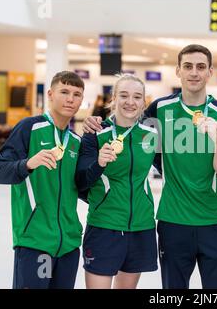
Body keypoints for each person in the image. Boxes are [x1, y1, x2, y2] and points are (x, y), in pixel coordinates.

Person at [83, 44, 217, 289]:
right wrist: (95, 121)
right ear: (178, 71)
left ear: (210, 72)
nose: (194, 72)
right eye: (187, 66)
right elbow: (127, 121)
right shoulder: (159, 109)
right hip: (172, 221)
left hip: (215, 222)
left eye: (200, 67)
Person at [0, 71, 85, 289]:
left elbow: (81, 188)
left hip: (69, 244)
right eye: (64, 92)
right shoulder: (29, 128)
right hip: (35, 241)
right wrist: (28, 163)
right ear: (51, 94)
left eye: (77, 94)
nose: (70, 99)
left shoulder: (76, 142)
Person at [75, 74, 158, 289]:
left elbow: (175, 167)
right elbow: (80, 181)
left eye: (137, 97)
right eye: (124, 95)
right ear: (113, 98)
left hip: (141, 226)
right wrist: (99, 163)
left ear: (143, 102)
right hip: (105, 226)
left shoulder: (151, 135)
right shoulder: (95, 133)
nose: (130, 102)